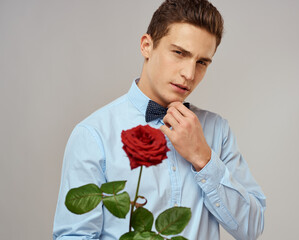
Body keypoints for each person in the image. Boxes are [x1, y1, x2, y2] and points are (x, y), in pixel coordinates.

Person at [53, 0, 266, 239]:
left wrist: (203, 159)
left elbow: (251, 229)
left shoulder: (217, 131)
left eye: (202, 62)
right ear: (147, 46)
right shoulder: (94, 135)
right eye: (179, 53)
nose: (189, 74)